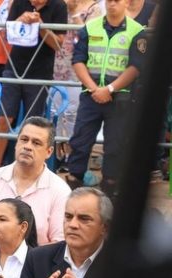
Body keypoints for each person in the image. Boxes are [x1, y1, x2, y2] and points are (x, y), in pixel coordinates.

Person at [62, 0, 146, 198]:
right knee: (80, 141)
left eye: (117, 0)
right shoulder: (90, 27)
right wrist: (94, 89)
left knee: (115, 146)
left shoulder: (136, 31)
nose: (112, 3)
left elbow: (136, 67)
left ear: (127, 2)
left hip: (120, 97)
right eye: (109, 0)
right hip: (91, 95)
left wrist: (109, 89)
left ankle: (110, 194)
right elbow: (78, 60)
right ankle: (74, 188)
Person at [0, 116, 71, 245]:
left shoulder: (60, 191)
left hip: (35, 264)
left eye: (36, 143)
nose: (28, 147)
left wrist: (21, 251)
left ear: (49, 152)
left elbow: (60, 244)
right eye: (24, 140)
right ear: (16, 143)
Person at [0, 0, 67, 167]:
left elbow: (58, 44)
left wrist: (41, 26)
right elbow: (5, 35)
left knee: (33, 123)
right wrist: (19, 20)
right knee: (4, 118)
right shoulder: (19, 2)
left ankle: (28, 167)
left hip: (40, 72)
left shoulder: (59, 6)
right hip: (14, 67)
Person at [51, 0, 101, 165]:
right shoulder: (57, 5)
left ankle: (73, 159)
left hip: (78, 71)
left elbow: (91, 39)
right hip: (54, 67)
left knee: (73, 115)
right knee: (53, 114)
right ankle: (54, 156)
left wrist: (74, 13)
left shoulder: (94, 9)